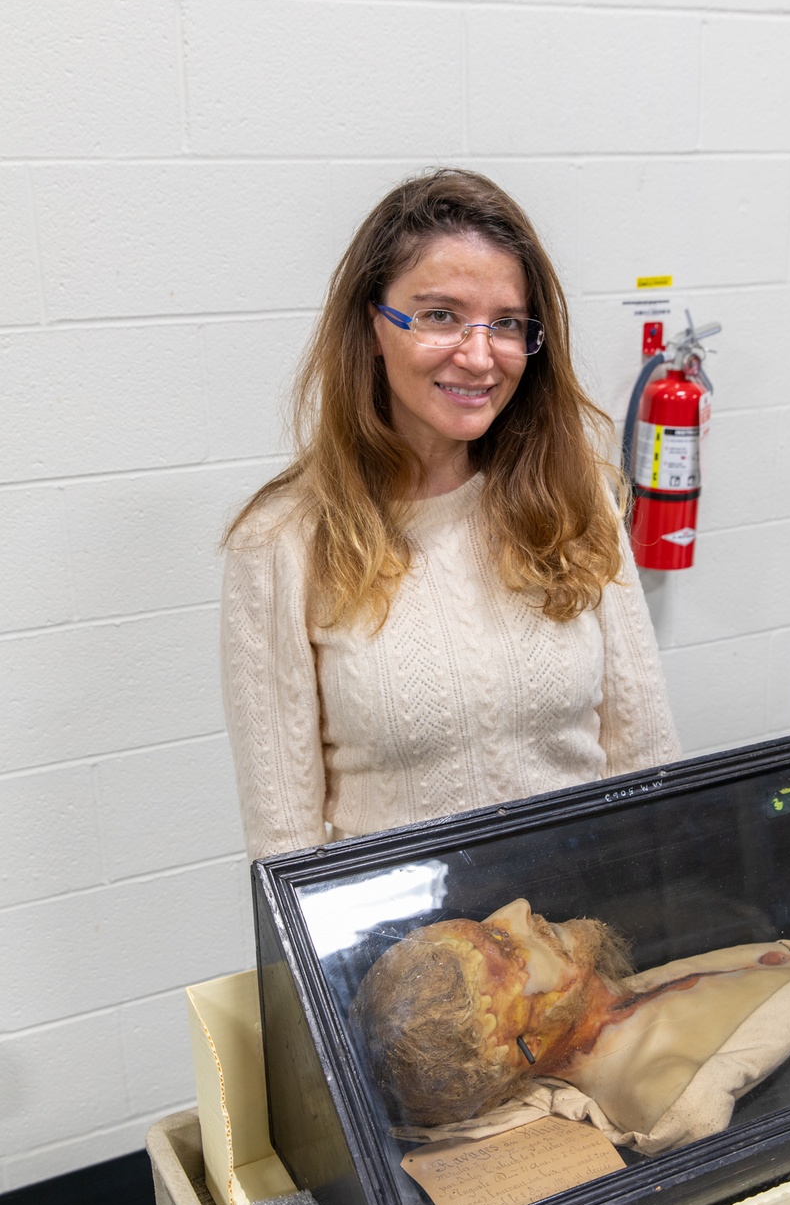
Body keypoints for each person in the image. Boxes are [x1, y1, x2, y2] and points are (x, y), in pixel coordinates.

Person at [221, 169, 680, 861]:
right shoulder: (282, 544)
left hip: (584, 931)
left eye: (506, 324)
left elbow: (646, 760)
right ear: (372, 326)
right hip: (413, 956)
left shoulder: (576, 497)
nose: (479, 355)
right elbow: (283, 843)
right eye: (440, 315)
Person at [352, 898, 790, 1156]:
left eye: (491, 921)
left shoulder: (618, 1000)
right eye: (504, 942)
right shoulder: (667, 1089)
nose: (518, 908)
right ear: (525, 1046)